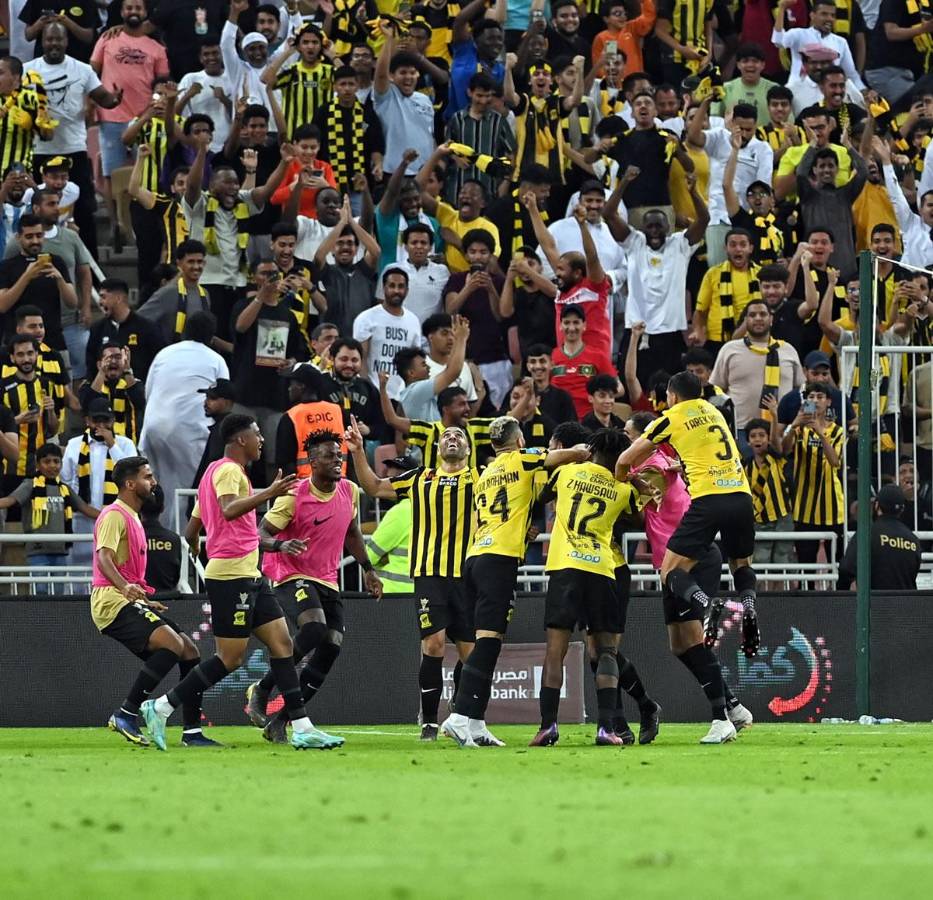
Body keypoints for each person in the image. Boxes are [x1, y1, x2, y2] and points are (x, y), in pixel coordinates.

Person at [140, 415, 341, 751]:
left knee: (283, 646)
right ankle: (160, 706)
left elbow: (191, 533)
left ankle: (302, 727)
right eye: (257, 432)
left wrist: (212, 559)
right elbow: (230, 509)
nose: (262, 439)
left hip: (247, 574)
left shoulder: (212, 474)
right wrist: (271, 493)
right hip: (234, 575)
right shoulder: (230, 471)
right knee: (230, 658)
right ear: (240, 438)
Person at [615, 371, 759, 744]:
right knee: (680, 644)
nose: (628, 440)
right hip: (731, 506)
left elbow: (628, 470)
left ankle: (720, 718)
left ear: (669, 398)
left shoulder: (656, 459)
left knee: (692, 635)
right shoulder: (711, 416)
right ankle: (733, 705)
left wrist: (620, 477)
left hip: (691, 559)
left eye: (631, 434)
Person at [440, 415, 589, 747]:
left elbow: (533, 495)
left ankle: (476, 722)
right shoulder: (523, 459)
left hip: (476, 556)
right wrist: (581, 451)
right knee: (489, 641)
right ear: (520, 441)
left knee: (485, 642)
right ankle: (459, 715)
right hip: (500, 560)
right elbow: (558, 458)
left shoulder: (487, 473)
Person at [246, 430, 382, 742]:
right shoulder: (294, 495)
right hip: (289, 573)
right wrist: (280, 546)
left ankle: (279, 721)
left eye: (340, 455)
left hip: (327, 578)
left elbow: (351, 533)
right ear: (312, 462)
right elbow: (259, 533)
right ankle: (264, 688)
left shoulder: (349, 491)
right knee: (314, 629)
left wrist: (367, 569)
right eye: (329, 456)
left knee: (331, 646)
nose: (337, 461)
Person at [347, 418, 476, 741]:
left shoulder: (482, 478)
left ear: (469, 450)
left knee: (471, 654)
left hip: (470, 577)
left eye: (459, 435)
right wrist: (358, 452)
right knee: (433, 645)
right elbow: (374, 486)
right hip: (430, 576)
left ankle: (462, 716)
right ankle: (430, 721)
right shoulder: (421, 478)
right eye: (446, 435)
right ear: (436, 449)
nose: (451, 437)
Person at [531, 427, 650, 747]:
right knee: (606, 651)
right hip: (601, 569)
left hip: (564, 567)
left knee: (555, 651)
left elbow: (540, 497)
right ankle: (606, 728)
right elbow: (640, 520)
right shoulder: (622, 489)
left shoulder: (567, 473)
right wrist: (633, 480)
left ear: (592, 448)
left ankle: (548, 726)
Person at [91, 456, 220, 747]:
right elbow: (104, 558)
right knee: (172, 645)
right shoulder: (114, 514)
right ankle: (126, 712)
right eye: (148, 476)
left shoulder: (132, 517)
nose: (154, 482)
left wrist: (144, 599)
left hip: (129, 598)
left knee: (189, 651)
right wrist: (126, 588)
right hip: (111, 602)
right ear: (129, 483)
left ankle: (191, 732)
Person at [28, 21, 123, 259]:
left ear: (66, 42)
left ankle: (89, 261)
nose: (54, 44)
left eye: (58, 39)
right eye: (49, 39)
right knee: (37, 209)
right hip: (39, 150)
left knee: (84, 209)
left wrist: (115, 100)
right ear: (43, 41)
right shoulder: (27, 70)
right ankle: (37, 257)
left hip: (74, 149)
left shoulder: (82, 70)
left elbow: (103, 98)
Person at [605, 172, 708, 383]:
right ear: (643, 228)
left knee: (671, 391)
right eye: (649, 226)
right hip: (635, 331)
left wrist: (693, 192)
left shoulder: (680, 245)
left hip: (670, 335)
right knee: (632, 387)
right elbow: (608, 213)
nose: (654, 231)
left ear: (668, 227)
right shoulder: (635, 242)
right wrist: (624, 182)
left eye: (659, 226)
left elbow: (704, 219)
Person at [138, 312, 229, 527]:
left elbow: (148, 392)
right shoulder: (216, 359)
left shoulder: (164, 353)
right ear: (211, 335)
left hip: (154, 427)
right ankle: (181, 549)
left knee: (157, 489)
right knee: (188, 493)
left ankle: (157, 543)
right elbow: (224, 399)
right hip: (190, 430)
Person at [0, 442, 94, 593]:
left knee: (57, 592)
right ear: (38, 464)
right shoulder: (29, 485)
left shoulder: (64, 489)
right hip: (37, 551)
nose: (52, 466)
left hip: (60, 551)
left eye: (56, 461)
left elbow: (85, 509)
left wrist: (116, 513)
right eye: (47, 461)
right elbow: (10, 500)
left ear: (61, 464)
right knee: (41, 591)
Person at [709, 299, 805, 435]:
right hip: (740, 430)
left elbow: (801, 390)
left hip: (781, 430)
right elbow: (715, 390)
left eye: (763, 314)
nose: (758, 318)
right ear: (745, 320)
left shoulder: (788, 350)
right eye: (753, 315)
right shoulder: (729, 349)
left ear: (771, 319)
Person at [62, 396, 138, 566]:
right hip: (81, 518)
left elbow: (132, 476)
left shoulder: (125, 444)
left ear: (113, 420)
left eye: (106, 420)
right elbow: (66, 481)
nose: (102, 426)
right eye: (97, 420)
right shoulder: (74, 444)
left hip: (116, 517)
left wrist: (112, 445)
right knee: (80, 569)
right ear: (88, 420)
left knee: (114, 566)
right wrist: (81, 506)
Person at [782, 380, 846, 569]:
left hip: (833, 509)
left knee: (839, 565)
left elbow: (835, 461)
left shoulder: (838, 431)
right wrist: (792, 426)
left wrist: (820, 432)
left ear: (828, 402)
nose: (815, 400)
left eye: (820, 397)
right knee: (806, 566)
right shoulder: (799, 429)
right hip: (804, 508)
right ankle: (807, 598)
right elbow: (784, 451)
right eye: (811, 397)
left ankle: (841, 599)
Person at [0, 213, 77, 353]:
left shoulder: (56, 262)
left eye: (39, 235)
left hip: (53, 343)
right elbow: (2, 305)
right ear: (18, 237)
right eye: (29, 237)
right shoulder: (6, 267)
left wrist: (59, 279)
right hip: (17, 347)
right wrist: (27, 276)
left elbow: (72, 303)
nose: (35, 241)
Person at [1, 334, 60, 489]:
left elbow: (53, 430)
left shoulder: (46, 384)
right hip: (10, 468)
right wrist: (17, 420)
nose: (26, 359)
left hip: (40, 467)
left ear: (37, 355)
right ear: (12, 358)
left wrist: (51, 411)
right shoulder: (3, 387)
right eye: (20, 354)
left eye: (29, 353)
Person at [354, 266, 423, 398]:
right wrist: (367, 390)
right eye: (392, 285)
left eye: (401, 286)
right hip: (374, 393)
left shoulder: (413, 320)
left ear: (407, 290)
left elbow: (415, 362)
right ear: (384, 288)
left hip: (403, 395)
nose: (396, 290)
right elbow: (360, 359)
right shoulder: (367, 318)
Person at [840, 484, 921, 591]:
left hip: (874, 605)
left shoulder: (867, 533)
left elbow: (846, 569)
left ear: (877, 506)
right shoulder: (913, 540)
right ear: (902, 509)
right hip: (905, 605)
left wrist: (842, 596)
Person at [744, 415, 795, 581]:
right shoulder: (745, 467)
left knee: (783, 560)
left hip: (782, 517)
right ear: (748, 442)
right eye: (753, 436)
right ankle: (765, 599)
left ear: (768, 438)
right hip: (759, 520)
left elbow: (776, 442)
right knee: (760, 561)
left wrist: (774, 414)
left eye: (761, 435)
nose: (758, 439)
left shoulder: (777, 459)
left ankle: (781, 599)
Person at [393, 316, 470, 423]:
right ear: (411, 373)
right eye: (424, 365)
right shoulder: (415, 391)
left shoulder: (419, 391)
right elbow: (453, 372)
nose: (428, 367)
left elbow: (448, 368)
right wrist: (461, 338)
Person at [86, 279, 163, 383]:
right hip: (105, 395)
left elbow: (159, 362)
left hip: (138, 393)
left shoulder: (147, 328)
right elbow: (91, 366)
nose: (100, 302)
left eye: (104, 297)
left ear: (118, 298)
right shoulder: (97, 329)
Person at [274, 366, 345, 478]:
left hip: (305, 486)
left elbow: (284, 462)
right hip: (338, 483)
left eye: (292, 384)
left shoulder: (292, 416)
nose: (289, 388)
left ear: (302, 386)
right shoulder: (337, 411)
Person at [551, 304, 617, 421]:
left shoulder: (597, 356)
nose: (571, 328)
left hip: (589, 421)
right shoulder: (552, 357)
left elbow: (618, 388)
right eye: (567, 323)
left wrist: (599, 395)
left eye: (576, 323)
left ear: (584, 326)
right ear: (560, 326)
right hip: (557, 420)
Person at [78, 343, 147, 446]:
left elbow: (140, 402)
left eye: (118, 357)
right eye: (109, 358)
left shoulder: (133, 383)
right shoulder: (88, 386)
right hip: (96, 445)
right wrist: (102, 372)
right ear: (99, 364)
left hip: (129, 445)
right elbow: (87, 405)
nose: (113, 361)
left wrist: (127, 370)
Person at [141, 485, 182, 594]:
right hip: (169, 601)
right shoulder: (174, 539)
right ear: (163, 508)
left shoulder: (129, 538)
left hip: (139, 601)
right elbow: (176, 576)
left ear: (138, 507)